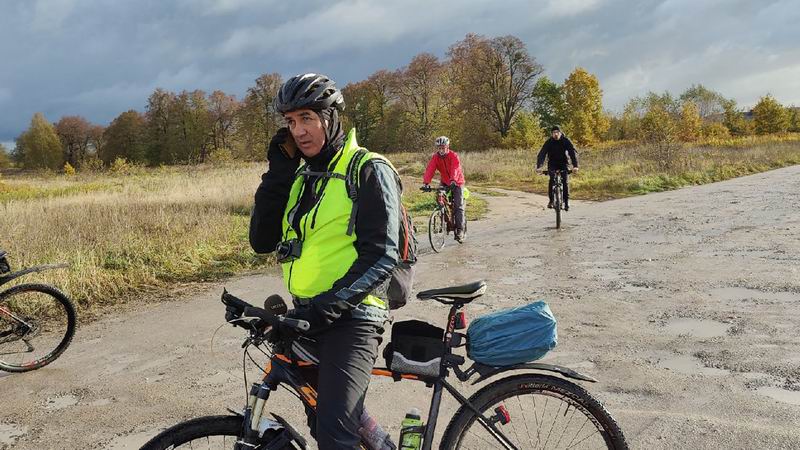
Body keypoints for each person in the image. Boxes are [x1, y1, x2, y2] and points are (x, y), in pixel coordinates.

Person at [247, 73, 402, 449]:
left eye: (307, 118)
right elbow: (261, 240)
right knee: (324, 423)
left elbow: (383, 254)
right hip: (310, 313)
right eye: (290, 122)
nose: (298, 130)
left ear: (331, 118)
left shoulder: (367, 169)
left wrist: (330, 306)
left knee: (334, 436)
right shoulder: (303, 177)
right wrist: (278, 174)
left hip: (354, 318)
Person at [422, 136, 467, 242]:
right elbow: (430, 169)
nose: (441, 150)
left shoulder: (453, 156)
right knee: (439, 198)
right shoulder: (435, 157)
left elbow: (455, 168)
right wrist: (426, 183)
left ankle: (460, 230)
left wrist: (453, 180)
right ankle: (445, 219)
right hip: (445, 181)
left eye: (443, 148)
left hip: (457, 182)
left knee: (458, 206)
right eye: (439, 148)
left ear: (447, 147)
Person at [536, 125, 579, 211]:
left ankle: (566, 202)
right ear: (551, 134)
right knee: (552, 179)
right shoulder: (549, 142)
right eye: (554, 133)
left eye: (557, 132)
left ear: (560, 133)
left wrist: (575, 166)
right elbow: (542, 154)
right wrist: (539, 166)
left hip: (563, 163)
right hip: (552, 163)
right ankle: (551, 201)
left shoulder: (565, 141)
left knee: (565, 181)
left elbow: (572, 153)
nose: (555, 134)